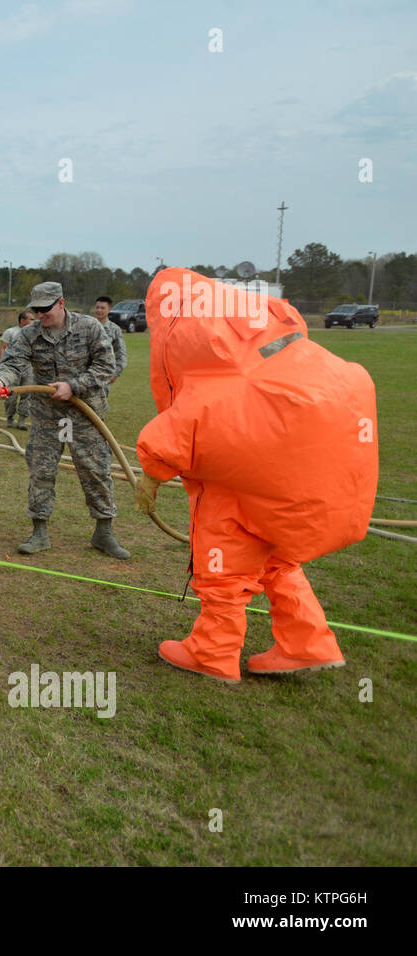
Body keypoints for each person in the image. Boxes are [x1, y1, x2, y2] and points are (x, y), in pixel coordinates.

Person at [134, 268, 377, 682]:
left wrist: (151, 476)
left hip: (234, 488)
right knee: (278, 559)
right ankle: (308, 641)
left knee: (224, 563)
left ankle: (212, 652)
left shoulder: (220, 377)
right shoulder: (287, 360)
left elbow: (185, 425)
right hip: (287, 479)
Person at [0, 281, 129, 559]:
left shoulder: (89, 327)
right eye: (36, 310)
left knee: (96, 471)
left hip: (85, 414)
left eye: (46, 309)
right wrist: (0, 380)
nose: (41, 315)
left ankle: (104, 532)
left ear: (61, 303)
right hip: (47, 417)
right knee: (41, 471)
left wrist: (73, 386)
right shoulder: (30, 334)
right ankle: (39, 532)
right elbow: (13, 362)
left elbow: (105, 367)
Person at [0, 309, 35, 429]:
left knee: (27, 394)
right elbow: (3, 348)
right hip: (13, 368)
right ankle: (10, 418)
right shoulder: (10, 332)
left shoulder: (34, 333)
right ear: (22, 320)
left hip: (29, 368)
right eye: (31, 319)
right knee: (11, 395)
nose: (34, 321)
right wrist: (2, 365)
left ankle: (22, 420)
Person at [92, 295, 127, 389]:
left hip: (103, 375)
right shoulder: (87, 326)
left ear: (109, 309)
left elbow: (121, 354)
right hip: (83, 375)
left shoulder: (114, 329)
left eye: (102, 308)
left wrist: (115, 374)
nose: (99, 310)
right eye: (97, 307)